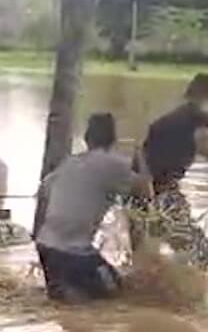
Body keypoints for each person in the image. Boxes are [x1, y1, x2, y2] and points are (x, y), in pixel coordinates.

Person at [34, 112, 153, 302]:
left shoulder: (69, 163)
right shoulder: (114, 164)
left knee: (63, 302)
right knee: (119, 295)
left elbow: (42, 193)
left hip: (45, 247)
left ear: (87, 138)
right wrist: (141, 158)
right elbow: (146, 191)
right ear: (113, 139)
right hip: (74, 252)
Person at [131, 72, 208, 269]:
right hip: (163, 194)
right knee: (207, 258)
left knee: (142, 261)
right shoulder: (199, 116)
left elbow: (141, 153)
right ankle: (188, 293)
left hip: (135, 194)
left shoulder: (167, 119)